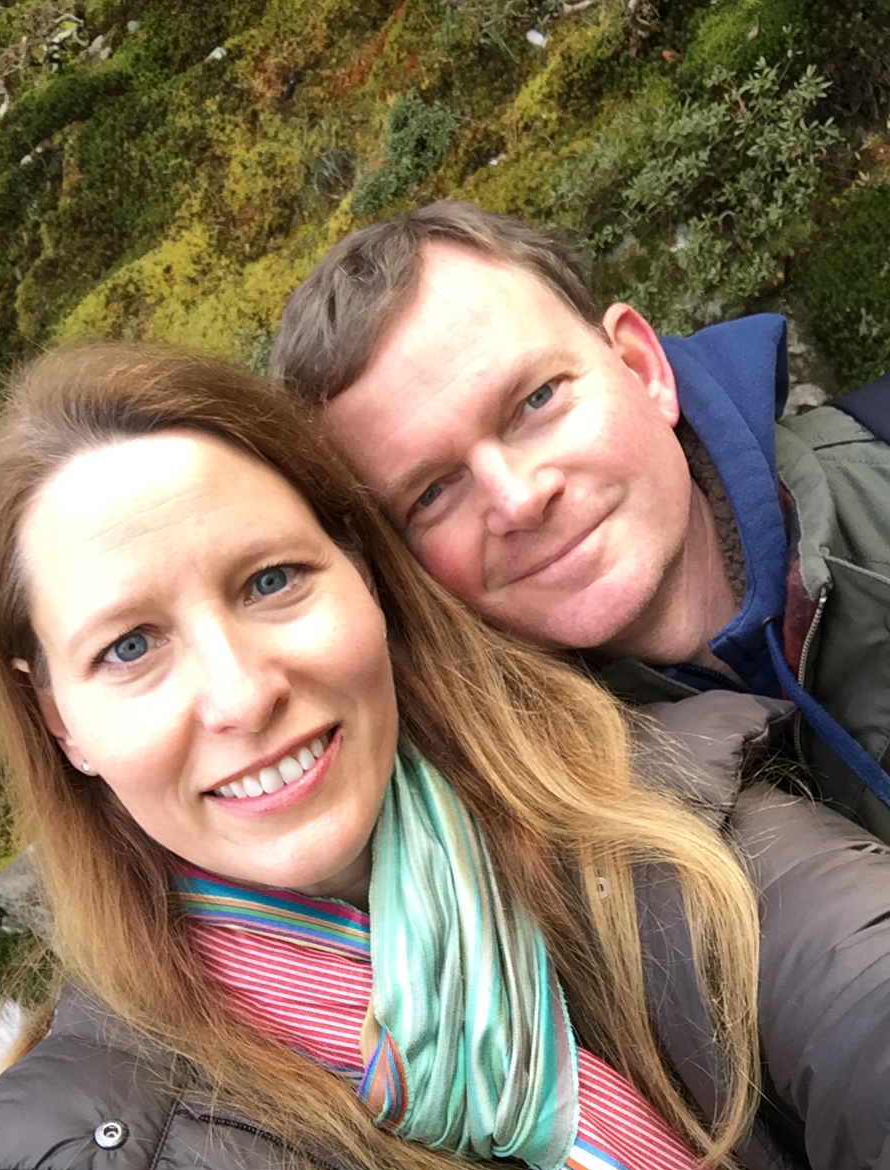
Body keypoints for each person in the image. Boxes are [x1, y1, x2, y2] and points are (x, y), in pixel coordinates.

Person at [0, 344, 887, 1170]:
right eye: (130, 647)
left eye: (271, 580)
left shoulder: (660, 806)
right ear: (60, 720)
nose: (242, 696)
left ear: (363, 572)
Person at [270, 200, 890, 842]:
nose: (517, 500)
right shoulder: (524, 832)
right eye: (431, 492)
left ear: (642, 368)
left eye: (536, 400)